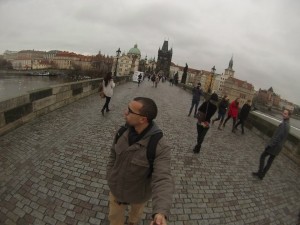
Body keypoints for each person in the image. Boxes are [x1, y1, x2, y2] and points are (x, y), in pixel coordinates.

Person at [106, 97, 174, 225]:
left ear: (143, 119)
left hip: (139, 195)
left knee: (135, 219)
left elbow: (163, 179)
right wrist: (110, 176)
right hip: (116, 191)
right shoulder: (122, 132)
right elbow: (113, 155)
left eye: (130, 111)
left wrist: (160, 212)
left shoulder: (160, 146)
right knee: (114, 220)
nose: (125, 112)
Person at [252, 109, 291, 180]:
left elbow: (278, 137)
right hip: (278, 147)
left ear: (288, 116)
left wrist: (269, 145)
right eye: (283, 113)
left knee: (262, 156)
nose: (283, 114)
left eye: (285, 114)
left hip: (274, 146)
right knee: (270, 161)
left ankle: (260, 172)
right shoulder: (288, 125)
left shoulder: (284, 125)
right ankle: (262, 175)